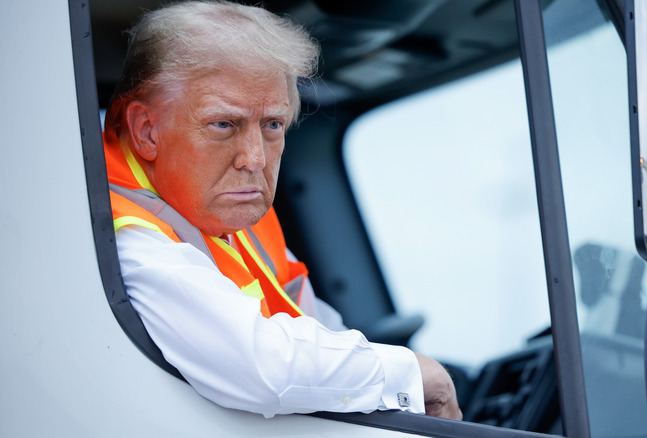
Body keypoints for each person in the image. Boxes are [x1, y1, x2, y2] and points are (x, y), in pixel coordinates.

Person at [103, 0, 461, 420]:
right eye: (223, 124)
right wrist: (413, 375)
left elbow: (323, 333)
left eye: (272, 125)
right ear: (147, 131)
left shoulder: (235, 216)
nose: (254, 158)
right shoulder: (119, 232)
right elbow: (263, 369)